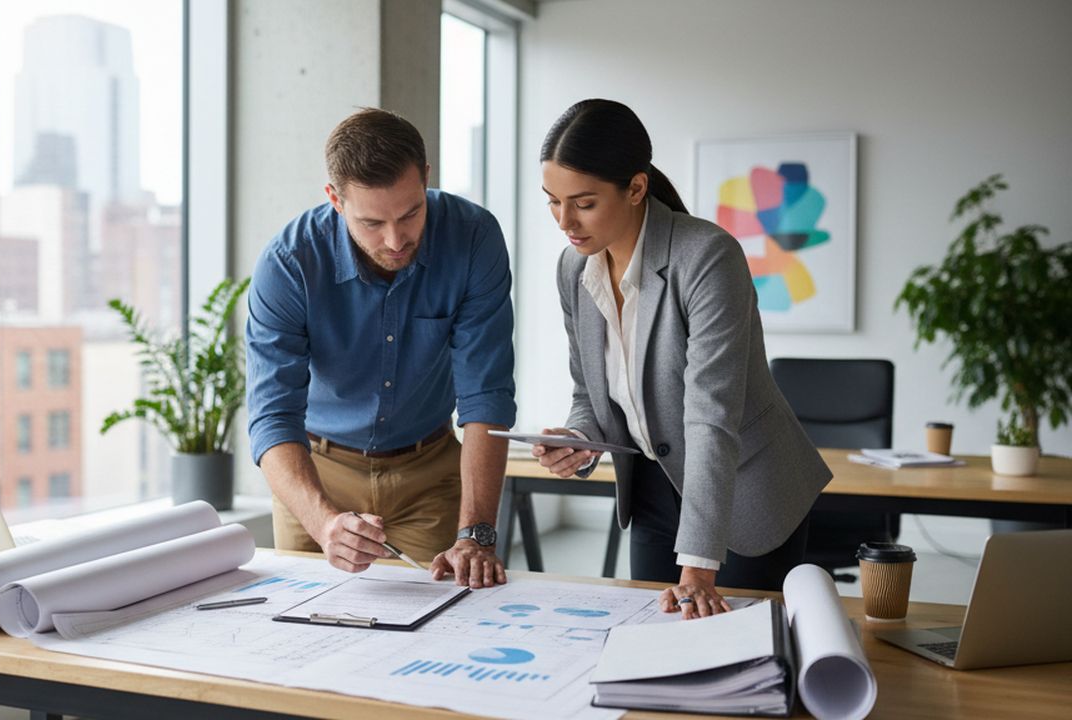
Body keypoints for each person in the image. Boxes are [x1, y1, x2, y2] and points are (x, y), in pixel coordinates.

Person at [533, 99, 831, 618]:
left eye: (583, 203)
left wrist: (697, 567)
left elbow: (711, 414)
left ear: (635, 188)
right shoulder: (572, 269)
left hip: (743, 491)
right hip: (653, 488)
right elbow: (590, 390)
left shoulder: (707, 256)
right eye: (552, 201)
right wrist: (581, 439)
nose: (564, 221)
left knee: (739, 652)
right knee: (653, 641)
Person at [246, 108, 515, 589]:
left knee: (437, 630)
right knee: (299, 642)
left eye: (411, 213)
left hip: (426, 476)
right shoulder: (288, 264)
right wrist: (324, 522)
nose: (396, 240)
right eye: (372, 222)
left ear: (426, 179)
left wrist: (476, 533)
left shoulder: (473, 238)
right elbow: (271, 415)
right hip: (316, 475)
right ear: (335, 199)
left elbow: (485, 396)